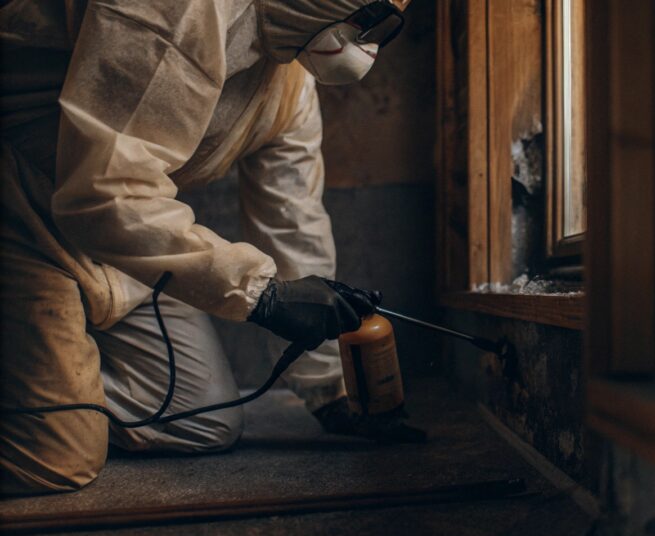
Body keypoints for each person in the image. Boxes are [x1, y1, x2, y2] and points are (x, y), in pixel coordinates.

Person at [0, 0, 421, 496]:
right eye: (371, 18)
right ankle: (44, 404)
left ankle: (37, 384)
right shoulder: (178, 7)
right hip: (22, 214)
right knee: (55, 457)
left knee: (201, 419)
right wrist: (262, 296)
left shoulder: (285, 84)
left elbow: (293, 222)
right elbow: (104, 189)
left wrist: (330, 390)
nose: (367, 47)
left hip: (121, 248)